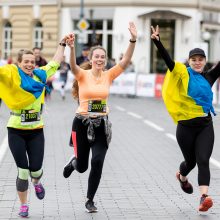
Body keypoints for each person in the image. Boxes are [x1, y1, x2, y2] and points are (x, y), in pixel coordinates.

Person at [63, 22, 137, 213]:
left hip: (101, 125)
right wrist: (71, 48)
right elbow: (72, 65)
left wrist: (133, 39)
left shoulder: (109, 75)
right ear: (91, 58)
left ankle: (90, 199)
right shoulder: (82, 75)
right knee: (82, 167)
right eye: (97, 56)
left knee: (97, 162)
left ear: (105, 60)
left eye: (103, 57)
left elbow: (126, 60)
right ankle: (74, 162)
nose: (100, 60)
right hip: (81, 123)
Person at [151, 25, 220, 212]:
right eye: (194, 60)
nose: (197, 62)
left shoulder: (209, 76)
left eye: (201, 60)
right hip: (185, 127)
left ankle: (203, 198)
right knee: (190, 162)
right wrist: (157, 42)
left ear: (205, 61)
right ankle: (182, 177)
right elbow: (168, 61)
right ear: (189, 61)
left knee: (203, 160)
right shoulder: (182, 74)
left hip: (205, 125)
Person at [0, 36, 68, 217]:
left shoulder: (40, 75)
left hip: (36, 131)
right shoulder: (11, 73)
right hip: (15, 130)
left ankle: (36, 182)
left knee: (35, 170)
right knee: (22, 171)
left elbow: (55, 62)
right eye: (26, 62)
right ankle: (24, 205)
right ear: (19, 63)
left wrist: (62, 44)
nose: (29, 64)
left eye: (32, 61)